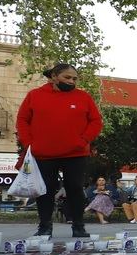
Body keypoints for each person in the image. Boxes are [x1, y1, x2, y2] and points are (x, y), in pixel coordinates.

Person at [15, 63, 103, 239]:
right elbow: (22, 120)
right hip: (43, 153)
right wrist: (29, 143)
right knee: (44, 189)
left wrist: (84, 140)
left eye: (74, 79)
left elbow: (95, 121)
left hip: (76, 152)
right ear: (54, 76)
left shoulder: (83, 97)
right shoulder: (35, 95)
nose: (71, 81)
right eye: (67, 77)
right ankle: (44, 227)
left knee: (75, 188)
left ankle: (78, 226)